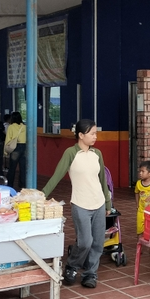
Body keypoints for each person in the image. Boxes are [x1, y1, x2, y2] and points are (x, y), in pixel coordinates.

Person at [43, 119, 111, 289]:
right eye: (92, 133)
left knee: (98, 243)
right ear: (81, 135)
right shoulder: (71, 153)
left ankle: (90, 274)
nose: (95, 137)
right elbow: (57, 176)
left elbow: (102, 180)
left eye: (96, 133)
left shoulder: (97, 153)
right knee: (85, 242)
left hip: (99, 203)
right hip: (80, 204)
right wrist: (41, 195)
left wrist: (108, 203)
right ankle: (72, 266)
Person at [5, 111, 27, 190]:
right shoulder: (24, 127)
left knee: (12, 168)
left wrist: (6, 151)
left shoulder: (11, 127)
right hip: (24, 147)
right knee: (23, 168)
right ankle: (22, 185)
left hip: (15, 148)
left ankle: (10, 185)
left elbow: (8, 139)